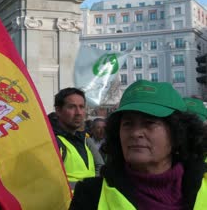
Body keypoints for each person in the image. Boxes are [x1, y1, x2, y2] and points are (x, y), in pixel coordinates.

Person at [71, 80, 207, 209]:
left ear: (178, 132)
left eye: (149, 123)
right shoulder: (90, 195)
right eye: (128, 124)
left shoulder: (203, 186)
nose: (136, 133)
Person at [52, 87, 96, 189]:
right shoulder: (52, 142)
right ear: (58, 110)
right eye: (72, 107)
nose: (79, 112)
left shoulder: (83, 139)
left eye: (81, 107)